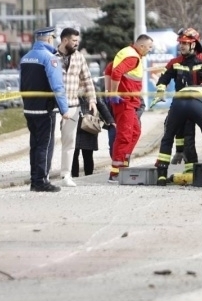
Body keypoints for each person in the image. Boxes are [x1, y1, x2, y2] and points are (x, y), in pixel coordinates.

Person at [153, 27, 202, 175]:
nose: (181, 46)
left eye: (185, 43)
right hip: (183, 105)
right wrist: (160, 92)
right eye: (181, 43)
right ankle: (190, 172)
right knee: (187, 140)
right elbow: (163, 80)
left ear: (194, 44)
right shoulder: (175, 63)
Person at [19, 26, 76, 192]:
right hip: (45, 109)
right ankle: (41, 181)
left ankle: (34, 180)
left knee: (35, 145)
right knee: (45, 145)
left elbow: (22, 84)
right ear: (50, 38)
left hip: (29, 109)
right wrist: (64, 109)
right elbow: (57, 86)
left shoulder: (25, 58)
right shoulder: (50, 59)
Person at [107, 34, 154, 182]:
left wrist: (110, 91)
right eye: (149, 47)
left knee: (135, 132)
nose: (150, 50)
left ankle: (123, 165)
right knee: (125, 135)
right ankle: (116, 172)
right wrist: (113, 93)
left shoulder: (126, 52)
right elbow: (116, 72)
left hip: (128, 102)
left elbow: (108, 69)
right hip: (125, 102)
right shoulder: (133, 57)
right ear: (141, 46)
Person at [57, 27, 97, 187]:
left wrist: (92, 99)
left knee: (70, 141)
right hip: (53, 106)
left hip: (73, 105)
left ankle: (66, 175)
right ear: (65, 40)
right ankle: (43, 174)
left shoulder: (79, 57)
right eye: (74, 41)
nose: (76, 43)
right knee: (49, 141)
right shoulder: (52, 56)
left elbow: (87, 79)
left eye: (77, 41)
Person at [72, 89, 115, 178]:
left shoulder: (91, 88)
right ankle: (74, 176)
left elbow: (101, 105)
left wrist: (110, 120)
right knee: (74, 153)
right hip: (78, 123)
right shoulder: (73, 86)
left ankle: (87, 177)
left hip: (88, 124)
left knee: (86, 154)